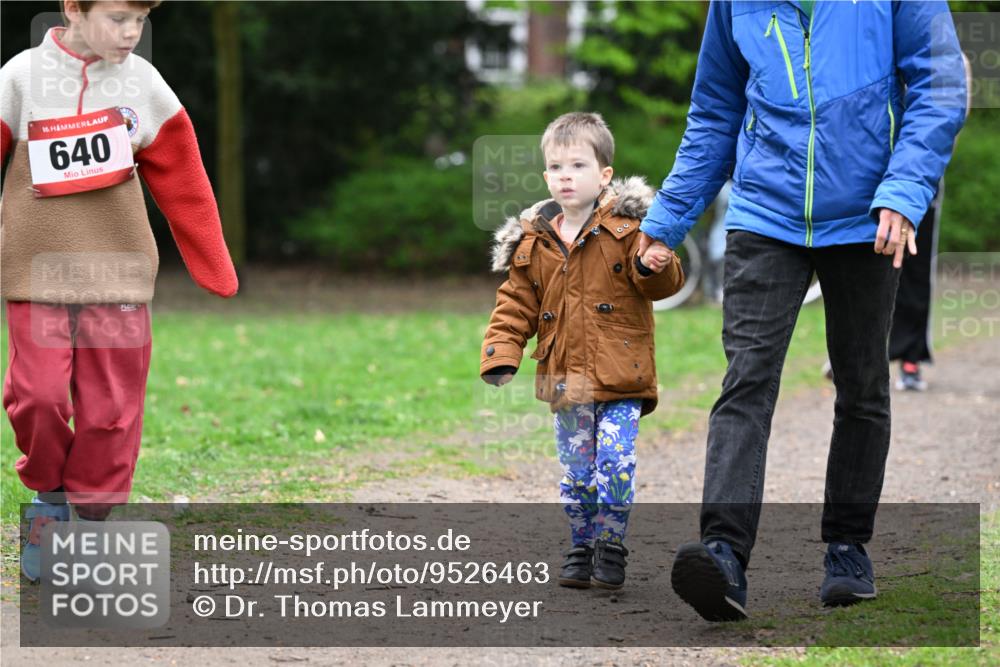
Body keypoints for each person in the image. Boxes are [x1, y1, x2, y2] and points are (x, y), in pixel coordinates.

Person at [638, 1, 967, 620]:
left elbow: (939, 87)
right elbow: (715, 111)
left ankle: (848, 549)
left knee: (862, 382)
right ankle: (723, 555)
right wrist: (668, 221)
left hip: (870, 214)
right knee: (746, 380)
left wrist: (903, 191)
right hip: (765, 213)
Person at [0, 0, 239, 581]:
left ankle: (92, 524)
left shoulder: (144, 83)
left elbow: (183, 175)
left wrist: (212, 261)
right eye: (116, 17)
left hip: (119, 275)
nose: (131, 32)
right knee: (38, 397)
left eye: (140, 20)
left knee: (111, 414)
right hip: (37, 273)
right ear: (73, 9)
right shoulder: (20, 77)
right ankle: (49, 499)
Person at [480, 112, 684, 590]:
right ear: (545, 176)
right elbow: (515, 304)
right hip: (564, 375)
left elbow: (660, 284)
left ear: (605, 174)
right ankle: (581, 543)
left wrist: (658, 263)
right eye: (556, 168)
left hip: (620, 372)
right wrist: (501, 352)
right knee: (576, 470)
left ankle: (611, 544)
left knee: (614, 460)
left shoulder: (631, 229)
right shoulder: (534, 241)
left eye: (577, 165)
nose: (565, 176)